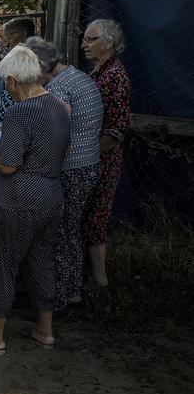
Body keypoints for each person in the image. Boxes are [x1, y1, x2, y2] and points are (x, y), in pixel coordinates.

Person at [0, 46, 70, 355]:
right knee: (42, 262)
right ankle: (45, 330)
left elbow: (7, 165)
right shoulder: (60, 107)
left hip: (17, 200)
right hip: (50, 197)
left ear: (11, 81)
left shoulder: (19, 111)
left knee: (3, 265)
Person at [25, 37, 104, 314]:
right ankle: (72, 292)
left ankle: (55, 299)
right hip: (89, 164)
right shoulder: (79, 77)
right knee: (71, 230)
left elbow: (55, 135)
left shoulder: (58, 88)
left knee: (58, 233)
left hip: (70, 168)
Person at [82, 19, 130, 294]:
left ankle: (101, 282)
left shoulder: (115, 76)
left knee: (96, 216)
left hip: (102, 158)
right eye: (85, 39)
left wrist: (89, 155)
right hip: (91, 157)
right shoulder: (99, 71)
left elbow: (116, 129)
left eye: (91, 39)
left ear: (108, 43)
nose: (84, 44)